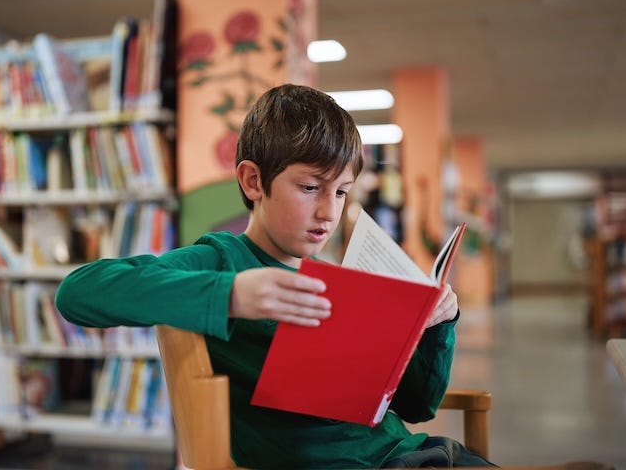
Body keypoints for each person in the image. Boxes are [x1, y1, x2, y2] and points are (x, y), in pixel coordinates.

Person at [56, 83, 494, 469]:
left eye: (341, 191)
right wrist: (231, 295)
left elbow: (417, 406)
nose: (330, 211)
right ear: (252, 181)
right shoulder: (221, 259)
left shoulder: (334, 279)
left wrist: (437, 326)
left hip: (413, 451)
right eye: (309, 188)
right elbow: (77, 293)